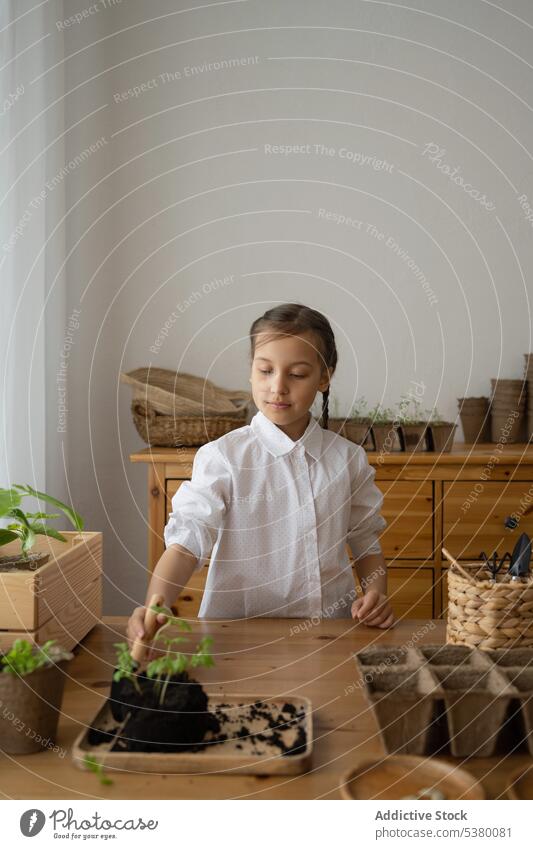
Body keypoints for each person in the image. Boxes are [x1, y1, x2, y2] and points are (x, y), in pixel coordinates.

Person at [127, 302, 395, 648]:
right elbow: (186, 545)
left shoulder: (348, 460)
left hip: (330, 636)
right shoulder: (222, 458)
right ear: (251, 372)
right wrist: (153, 605)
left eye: (297, 374)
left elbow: (365, 541)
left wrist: (376, 594)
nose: (278, 387)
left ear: (324, 378)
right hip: (234, 640)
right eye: (265, 370)